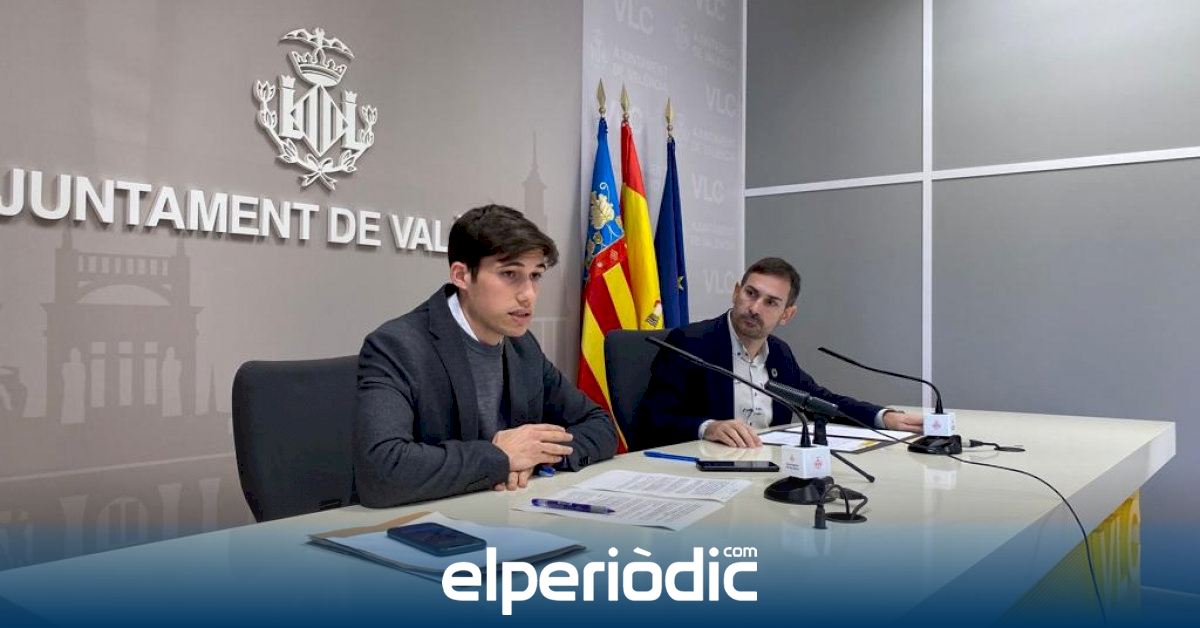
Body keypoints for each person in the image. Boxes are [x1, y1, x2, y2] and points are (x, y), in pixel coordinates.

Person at [353, 205, 617, 507]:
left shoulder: (523, 346)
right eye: (510, 274)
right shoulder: (397, 346)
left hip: (505, 511)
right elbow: (382, 469)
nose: (528, 294)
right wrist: (499, 457)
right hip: (421, 523)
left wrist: (536, 455)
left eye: (535, 275)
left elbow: (599, 424)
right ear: (462, 276)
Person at [638, 257, 924, 449]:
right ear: (736, 292)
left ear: (787, 314)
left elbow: (819, 401)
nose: (754, 308)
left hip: (768, 466)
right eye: (750, 293)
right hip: (708, 470)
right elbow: (652, 418)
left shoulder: (779, 354)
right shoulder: (691, 343)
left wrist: (882, 417)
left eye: (771, 302)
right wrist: (708, 428)